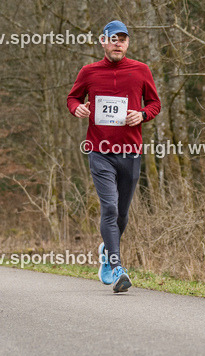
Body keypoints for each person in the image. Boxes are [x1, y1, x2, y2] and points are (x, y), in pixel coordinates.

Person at [67, 20, 160, 293]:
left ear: (127, 43)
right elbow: (72, 98)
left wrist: (141, 114)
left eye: (123, 39)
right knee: (109, 208)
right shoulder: (89, 71)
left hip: (130, 151)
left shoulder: (141, 70)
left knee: (122, 214)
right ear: (103, 41)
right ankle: (118, 267)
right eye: (113, 38)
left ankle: (107, 249)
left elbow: (155, 104)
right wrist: (77, 109)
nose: (118, 43)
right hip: (99, 151)